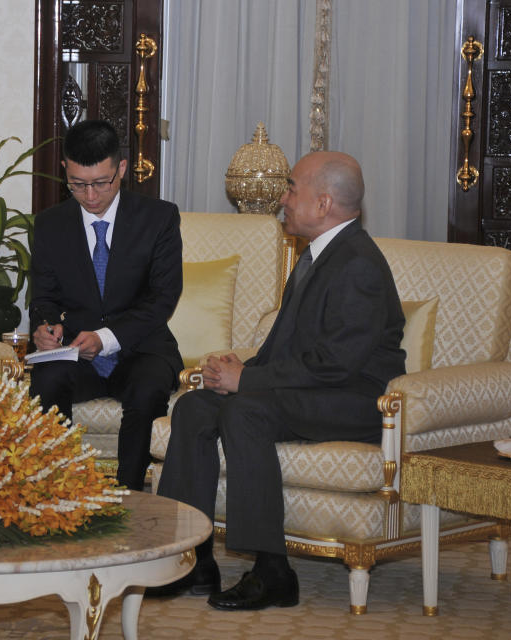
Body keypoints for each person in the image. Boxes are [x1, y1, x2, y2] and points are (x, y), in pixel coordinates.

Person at [155, 151, 405, 610]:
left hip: (353, 401)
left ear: (324, 203)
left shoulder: (358, 264)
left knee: (246, 409)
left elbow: (336, 364)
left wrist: (247, 381)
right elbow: (291, 344)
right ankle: (192, 557)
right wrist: (240, 369)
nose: (283, 198)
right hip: (312, 390)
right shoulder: (318, 252)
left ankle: (273, 571)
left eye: (292, 188)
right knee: (193, 406)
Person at [29, 119, 184, 491]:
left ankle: (129, 496)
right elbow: (43, 296)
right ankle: (57, 491)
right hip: (75, 350)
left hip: (140, 347)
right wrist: (46, 327)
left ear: (122, 169)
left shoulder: (159, 218)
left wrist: (107, 337)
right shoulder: (51, 224)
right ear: (65, 169)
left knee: (148, 390)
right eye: (78, 184)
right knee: (46, 380)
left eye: (102, 182)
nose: (91, 195)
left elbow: (163, 298)